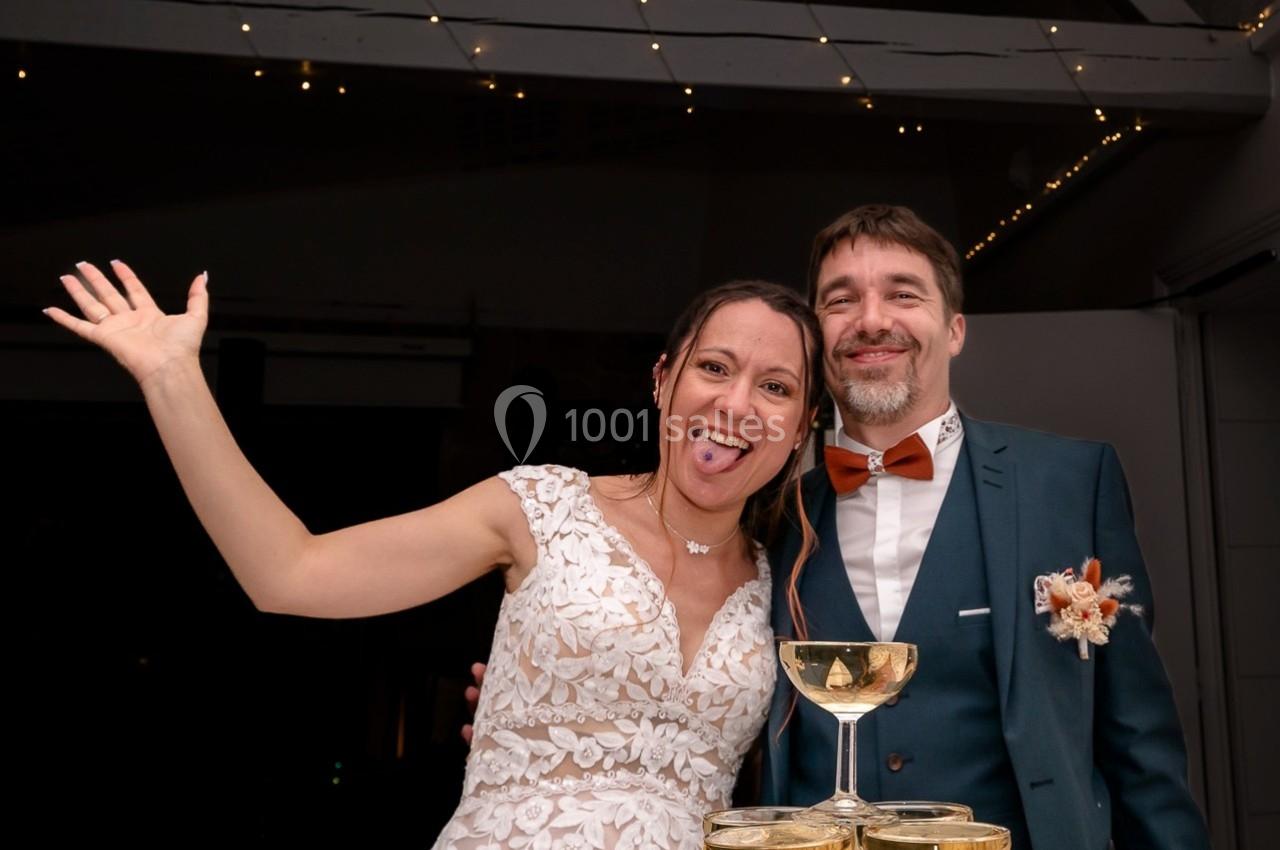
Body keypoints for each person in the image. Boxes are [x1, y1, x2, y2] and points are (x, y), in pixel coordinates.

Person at [42, 265, 822, 850]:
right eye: (714, 367)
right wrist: (171, 376)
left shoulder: (791, 577)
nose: (735, 405)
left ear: (801, 425)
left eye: (776, 387)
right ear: (663, 380)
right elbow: (287, 572)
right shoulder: (540, 507)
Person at [761, 205, 1211, 850]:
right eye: (840, 300)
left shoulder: (1070, 483)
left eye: (903, 293)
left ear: (955, 329)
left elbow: (1136, 734)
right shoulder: (772, 510)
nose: (871, 320)